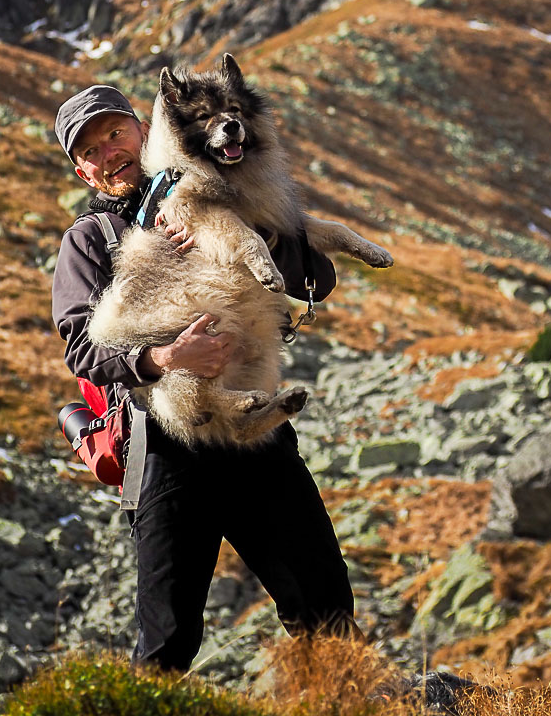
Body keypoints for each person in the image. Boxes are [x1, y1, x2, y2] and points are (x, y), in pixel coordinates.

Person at [51, 84, 358, 670]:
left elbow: (315, 280)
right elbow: (84, 349)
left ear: (144, 131)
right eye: (91, 150)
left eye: (115, 133)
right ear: (83, 173)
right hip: (166, 442)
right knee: (167, 638)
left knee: (323, 603)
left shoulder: (232, 190)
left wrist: (257, 238)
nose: (109, 152)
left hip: (257, 433)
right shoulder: (90, 241)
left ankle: (341, 698)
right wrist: (166, 359)